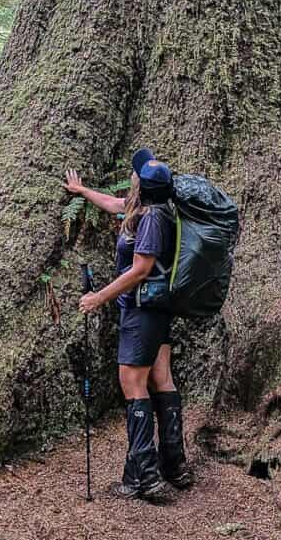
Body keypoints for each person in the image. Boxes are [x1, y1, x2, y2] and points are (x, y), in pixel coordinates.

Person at [65, 148, 194, 501]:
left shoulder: (151, 219)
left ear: (144, 186)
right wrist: (83, 191)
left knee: (132, 383)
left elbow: (140, 270)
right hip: (156, 309)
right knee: (160, 379)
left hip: (141, 311)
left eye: (137, 174)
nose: (133, 174)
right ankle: (174, 465)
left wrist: (98, 298)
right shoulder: (148, 210)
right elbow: (113, 203)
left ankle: (146, 479)